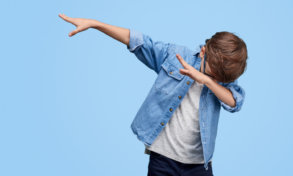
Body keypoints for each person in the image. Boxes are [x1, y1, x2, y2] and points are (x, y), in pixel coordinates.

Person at [58, 14, 247, 176]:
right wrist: (96, 24)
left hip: (199, 164)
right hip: (163, 159)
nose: (212, 77)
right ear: (203, 51)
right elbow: (139, 41)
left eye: (217, 78)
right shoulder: (176, 56)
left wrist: (206, 80)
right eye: (210, 72)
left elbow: (235, 102)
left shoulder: (221, 76)